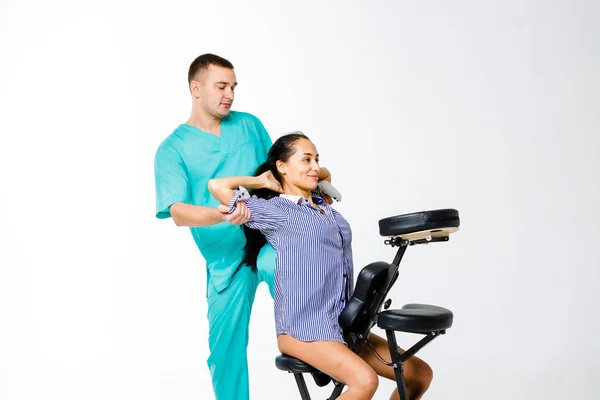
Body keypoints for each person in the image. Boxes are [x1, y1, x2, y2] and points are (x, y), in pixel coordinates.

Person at [154, 54, 331, 400]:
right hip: (226, 261)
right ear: (196, 88)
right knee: (224, 350)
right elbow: (178, 212)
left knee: (301, 280)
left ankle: (326, 353)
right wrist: (227, 213)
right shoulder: (172, 150)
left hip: (269, 239)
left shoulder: (249, 125)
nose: (229, 94)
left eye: (233, 87)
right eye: (221, 86)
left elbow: (279, 171)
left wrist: (317, 178)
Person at [207, 132, 434, 400]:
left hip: (343, 324)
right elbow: (217, 185)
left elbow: (323, 173)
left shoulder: (322, 204)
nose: (315, 166)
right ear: (281, 167)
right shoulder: (276, 211)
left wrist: (314, 178)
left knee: (418, 375)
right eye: (306, 160)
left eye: (316, 159)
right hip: (304, 329)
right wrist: (260, 180)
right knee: (364, 382)